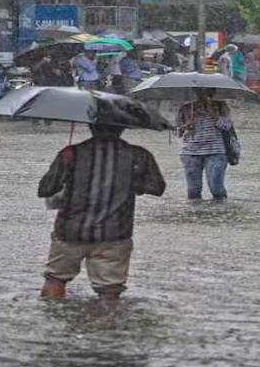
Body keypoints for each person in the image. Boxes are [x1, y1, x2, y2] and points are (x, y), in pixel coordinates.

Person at [37, 124, 166, 300]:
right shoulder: (139, 155)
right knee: (110, 290)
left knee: (55, 279)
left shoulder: (71, 154)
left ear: (91, 126)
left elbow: (45, 189)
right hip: (115, 233)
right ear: (122, 127)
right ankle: (108, 325)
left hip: (70, 231)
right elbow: (157, 187)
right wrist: (128, 182)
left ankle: (49, 323)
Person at [176, 88, 233, 200]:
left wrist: (214, 115)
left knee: (216, 188)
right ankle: (196, 215)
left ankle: (220, 213)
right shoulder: (186, 108)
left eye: (208, 92)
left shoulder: (221, 106)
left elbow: (227, 126)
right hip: (190, 152)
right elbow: (177, 132)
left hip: (216, 151)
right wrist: (186, 126)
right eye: (201, 93)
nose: (204, 96)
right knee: (193, 191)